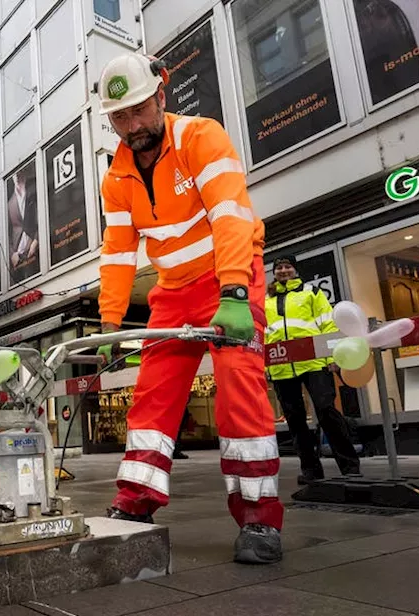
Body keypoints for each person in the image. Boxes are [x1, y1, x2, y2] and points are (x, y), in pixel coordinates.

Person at [94, 52, 283, 565]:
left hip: (230, 278)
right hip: (173, 293)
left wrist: (236, 293)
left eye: (138, 110)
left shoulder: (201, 137)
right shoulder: (116, 178)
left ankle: (260, 519)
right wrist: (111, 323)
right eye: (119, 117)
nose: (131, 126)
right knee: (152, 399)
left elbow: (230, 217)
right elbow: (117, 251)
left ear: (161, 96)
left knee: (239, 391)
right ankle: (135, 501)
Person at [265, 255, 361, 483]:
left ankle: (350, 466)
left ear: (295, 270)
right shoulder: (266, 301)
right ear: (274, 272)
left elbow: (328, 323)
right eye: (279, 267)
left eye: (288, 266)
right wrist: (266, 365)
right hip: (281, 366)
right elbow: (265, 335)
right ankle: (311, 470)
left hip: (315, 362)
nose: (284, 270)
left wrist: (332, 355)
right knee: (295, 419)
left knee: (326, 409)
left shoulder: (312, 293)